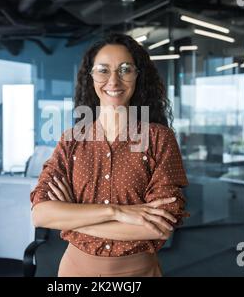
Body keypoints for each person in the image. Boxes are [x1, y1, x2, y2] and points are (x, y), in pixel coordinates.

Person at [30, 33, 189, 277]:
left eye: (125, 69)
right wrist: (116, 212)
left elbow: (160, 227)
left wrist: (72, 216)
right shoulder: (71, 140)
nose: (113, 80)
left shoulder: (159, 139)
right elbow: (41, 214)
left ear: (138, 76)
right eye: (103, 70)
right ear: (91, 76)